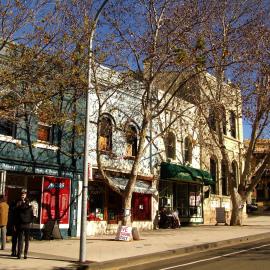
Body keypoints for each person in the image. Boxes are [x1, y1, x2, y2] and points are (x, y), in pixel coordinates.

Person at [15, 189, 33, 259]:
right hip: (26, 224)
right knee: (26, 240)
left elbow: (16, 215)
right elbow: (32, 215)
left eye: (23, 194)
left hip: (21, 224)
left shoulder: (18, 205)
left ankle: (19, 254)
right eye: (23, 194)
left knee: (20, 240)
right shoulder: (29, 205)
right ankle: (25, 254)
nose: (23, 195)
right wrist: (30, 221)